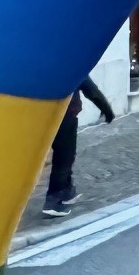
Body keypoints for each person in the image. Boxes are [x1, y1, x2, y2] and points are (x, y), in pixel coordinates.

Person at [42, 77, 115, 218]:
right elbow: (89, 88)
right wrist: (106, 109)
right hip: (64, 116)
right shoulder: (71, 63)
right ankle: (53, 201)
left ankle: (68, 191)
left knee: (66, 156)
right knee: (64, 158)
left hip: (42, 116)